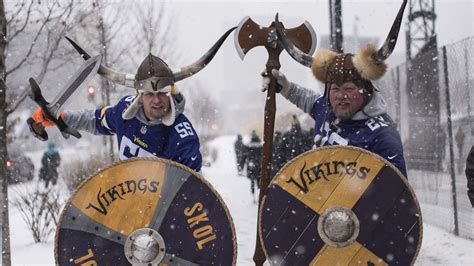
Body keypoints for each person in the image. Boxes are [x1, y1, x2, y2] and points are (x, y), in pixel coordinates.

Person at [29, 29, 235, 172]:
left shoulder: (182, 136)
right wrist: (60, 118)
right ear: (140, 96)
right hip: (127, 208)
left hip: (164, 217)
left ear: (170, 93)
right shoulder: (124, 111)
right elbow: (93, 120)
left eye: (162, 93)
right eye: (149, 94)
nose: (156, 100)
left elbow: (192, 189)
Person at [242, 130, 263, 202]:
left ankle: (253, 197)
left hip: (251, 166)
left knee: (252, 182)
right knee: (259, 182)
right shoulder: (260, 144)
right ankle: (260, 196)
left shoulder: (248, 145)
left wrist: (243, 166)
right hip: (259, 165)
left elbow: (245, 156)